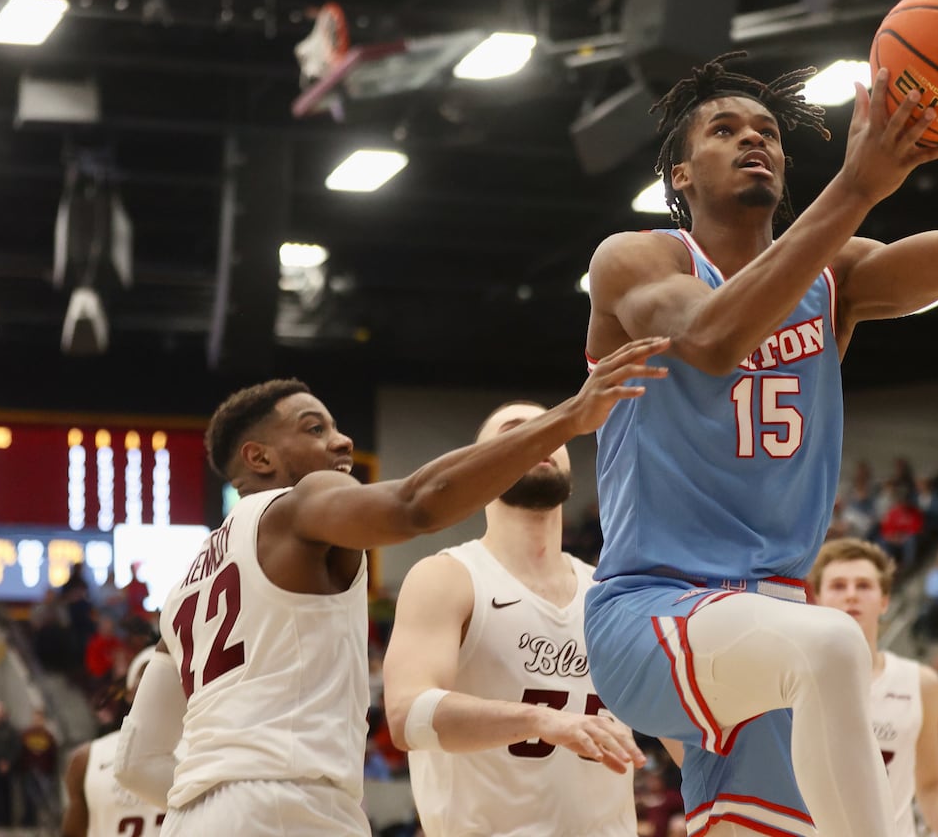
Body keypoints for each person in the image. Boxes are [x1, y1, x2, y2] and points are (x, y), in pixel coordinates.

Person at [581, 0, 938, 837]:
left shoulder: (838, 276)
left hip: (771, 621)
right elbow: (716, 339)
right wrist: (859, 187)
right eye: (724, 130)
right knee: (839, 641)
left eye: (766, 130)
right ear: (682, 173)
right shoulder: (639, 263)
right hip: (651, 608)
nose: (752, 139)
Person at [113, 340, 669, 836]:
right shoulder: (304, 504)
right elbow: (414, 505)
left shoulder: (186, 585)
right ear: (260, 457)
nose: (342, 441)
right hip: (292, 801)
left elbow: (137, 761)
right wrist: (571, 416)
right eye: (315, 429)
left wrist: (219, 798)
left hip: (194, 816)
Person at [382, 401, 644, 837]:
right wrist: (540, 719)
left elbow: (684, 733)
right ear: (480, 465)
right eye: (514, 430)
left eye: (548, 429)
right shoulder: (447, 577)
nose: (536, 437)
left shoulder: (611, 592)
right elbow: (408, 715)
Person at [810, 538, 938, 837]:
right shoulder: (790, 678)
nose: (851, 595)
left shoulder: (920, 683)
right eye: (839, 585)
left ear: (884, 601)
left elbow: (932, 786)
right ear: (818, 598)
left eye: (864, 586)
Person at [63, 648, 163, 837]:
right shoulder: (87, 758)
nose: (158, 684)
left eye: (169, 676)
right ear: (130, 692)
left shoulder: (204, 749)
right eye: (147, 674)